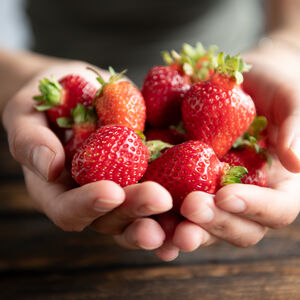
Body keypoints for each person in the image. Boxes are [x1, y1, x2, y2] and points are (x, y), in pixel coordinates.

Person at [1, 0, 300, 261]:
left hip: (220, 61)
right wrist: (24, 76)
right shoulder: (127, 127)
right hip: (53, 79)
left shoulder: (215, 105)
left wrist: (287, 50)